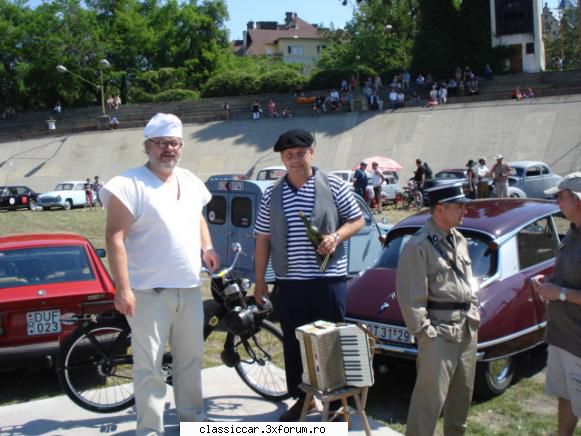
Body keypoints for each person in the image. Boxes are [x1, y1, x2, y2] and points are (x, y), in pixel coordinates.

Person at [99, 113, 220, 434]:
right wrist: (122, 289)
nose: (169, 149)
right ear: (147, 146)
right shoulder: (127, 185)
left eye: (175, 143)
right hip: (147, 294)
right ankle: (150, 430)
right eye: (162, 143)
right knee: (150, 367)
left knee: (190, 361)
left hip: (190, 288)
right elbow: (114, 237)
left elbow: (197, 218)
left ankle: (193, 423)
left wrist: (206, 248)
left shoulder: (191, 181)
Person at [253, 129, 364, 422]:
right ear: (282, 158)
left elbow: (358, 220)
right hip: (290, 283)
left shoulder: (335, 185)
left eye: (300, 153)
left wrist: (337, 237)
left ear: (311, 153)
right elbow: (262, 239)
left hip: (329, 280)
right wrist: (260, 280)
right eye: (289, 155)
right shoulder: (271, 194)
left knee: (332, 342)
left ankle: (338, 405)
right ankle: (305, 400)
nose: (294, 160)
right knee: (295, 342)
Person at [396, 183, 479, 436]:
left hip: (466, 328)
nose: (464, 210)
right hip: (439, 334)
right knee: (428, 405)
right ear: (440, 209)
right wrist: (426, 334)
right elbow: (411, 298)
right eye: (459, 206)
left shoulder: (459, 238)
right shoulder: (418, 245)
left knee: (461, 401)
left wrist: (474, 308)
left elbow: (467, 281)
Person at [531, 173, 581, 436]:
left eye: (561, 197)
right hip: (562, 335)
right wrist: (548, 283)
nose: (557, 202)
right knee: (566, 395)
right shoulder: (572, 233)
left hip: (578, 341)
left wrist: (558, 293)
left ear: (577, 199)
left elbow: (568, 290)